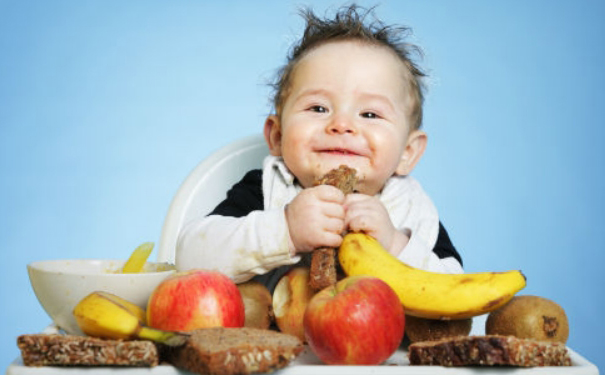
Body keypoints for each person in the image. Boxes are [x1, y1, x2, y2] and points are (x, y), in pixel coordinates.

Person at [176, 5, 463, 291]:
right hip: (266, 335)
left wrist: (395, 244)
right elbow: (189, 258)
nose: (341, 124)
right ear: (277, 136)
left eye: (370, 115)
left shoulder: (411, 209)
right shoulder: (264, 191)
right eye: (318, 107)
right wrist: (285, 230)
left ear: (407, 152)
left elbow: (458, 295)